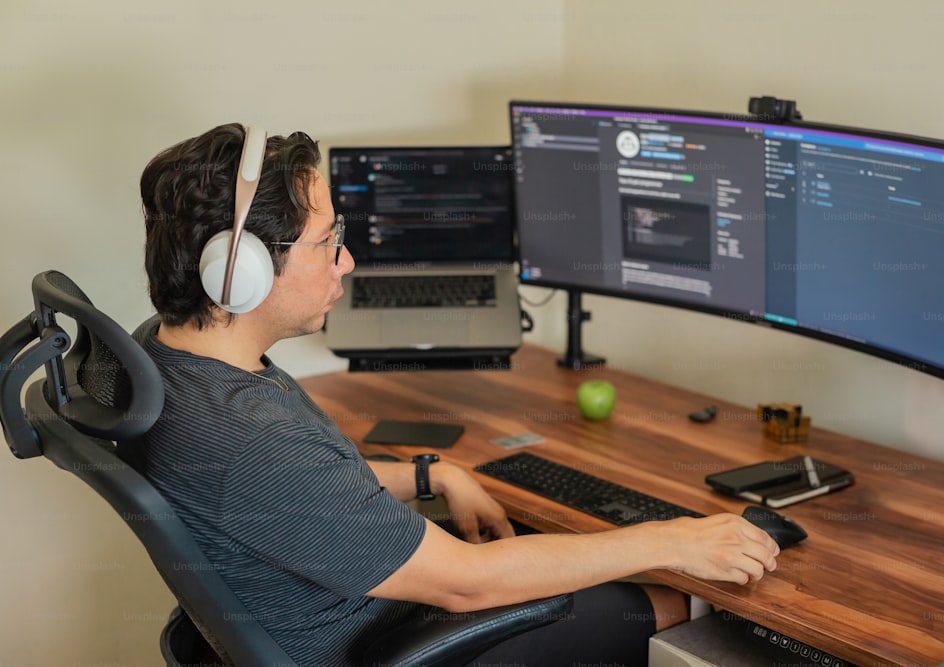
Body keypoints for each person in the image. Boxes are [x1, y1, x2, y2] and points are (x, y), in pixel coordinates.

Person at [129, 123, 780, 666]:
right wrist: (667, 540)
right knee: (690, 607)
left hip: (359, 600)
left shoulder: (168, 359)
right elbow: (468, 583)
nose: (347, 262)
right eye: (328, 242)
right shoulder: (250, 434)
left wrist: (428, 471)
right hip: (393, 635)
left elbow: (304, 492)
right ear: (243, 273)